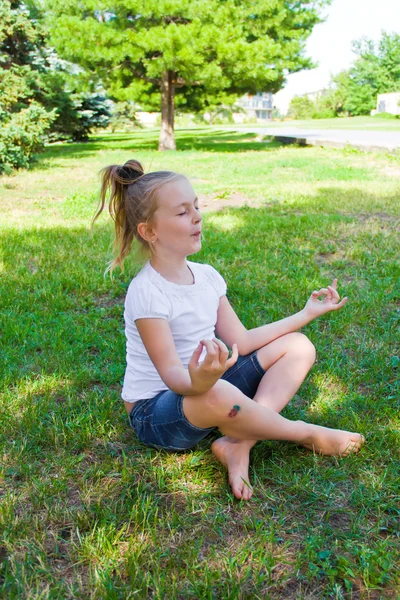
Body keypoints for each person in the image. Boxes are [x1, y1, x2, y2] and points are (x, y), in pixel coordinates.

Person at [92, 159, 365, 501]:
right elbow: (174, 377)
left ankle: (239, 444)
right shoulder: (148, 291)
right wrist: (205, 379)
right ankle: (306, 434)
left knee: (298, 347)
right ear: (149, 231)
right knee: (218, 393)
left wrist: (306, 313)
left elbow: (243, 341)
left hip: (206, 384)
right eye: (181, 212)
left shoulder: (207, 276)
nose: (197, 217)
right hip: (157, 411)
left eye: (197, 206)